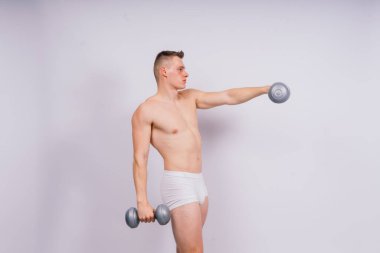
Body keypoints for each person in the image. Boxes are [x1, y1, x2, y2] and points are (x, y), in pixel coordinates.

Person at [131, 50, 270, 253]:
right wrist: (142, 202)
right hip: (178, 183)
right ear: (163, 72)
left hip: (199, 184)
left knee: (186, 249)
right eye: (180, 69)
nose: (186, 73)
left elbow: (228, 96)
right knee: (194, 251)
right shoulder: (147, 110)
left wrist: (265, 89)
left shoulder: (191, 98)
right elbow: (139, 159)